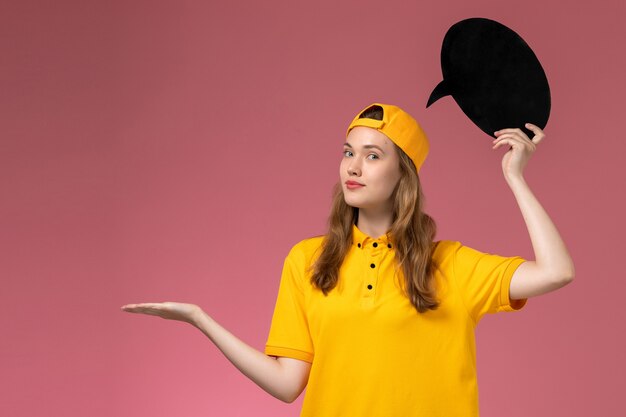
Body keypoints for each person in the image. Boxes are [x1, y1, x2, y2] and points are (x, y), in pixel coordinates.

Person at [122, 103, 575, 416]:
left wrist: (515, 177)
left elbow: (557, 271)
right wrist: (201, 320)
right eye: (348, 152)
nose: (352, 167)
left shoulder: (451, 265)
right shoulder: (308, 261)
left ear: (404, 175)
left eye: (372, 155)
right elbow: (286, 385)